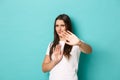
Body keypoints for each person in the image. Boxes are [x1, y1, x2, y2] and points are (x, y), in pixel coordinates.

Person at [42, 14, 92, 80]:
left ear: (68, 26)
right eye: (57, 26)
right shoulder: (51, 44)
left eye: (62, 25)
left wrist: (79, 43)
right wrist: (54, 61)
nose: (59, 29)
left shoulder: (76, 42)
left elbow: (89, 50)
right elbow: (44, 68)